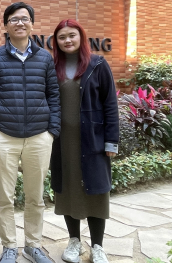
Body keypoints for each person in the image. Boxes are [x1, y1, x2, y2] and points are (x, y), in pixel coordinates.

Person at [0, 1, 61, 263]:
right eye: (14, 19)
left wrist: (52, 131)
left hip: (39, 136)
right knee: (5, 197)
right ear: (6, 25)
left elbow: (54, 95)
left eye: (24, 19)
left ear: (32, 24)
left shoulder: (45, 58)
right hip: (4, 136)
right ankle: (9, 247)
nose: (20, 23)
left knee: (35, 197)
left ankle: (33, 245)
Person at [50, 19, 119, 263]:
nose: (67, 40)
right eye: (62, 37)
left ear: (81, 37)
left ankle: (98, 246)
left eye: (72, 35)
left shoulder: (97, 64)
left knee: (96, 191)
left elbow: (110, 103)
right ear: (56, 41)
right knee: (67, 188)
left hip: (93, 139)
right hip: (62, 141)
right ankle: (74, 242)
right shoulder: (53, 65)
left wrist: (111, 141)